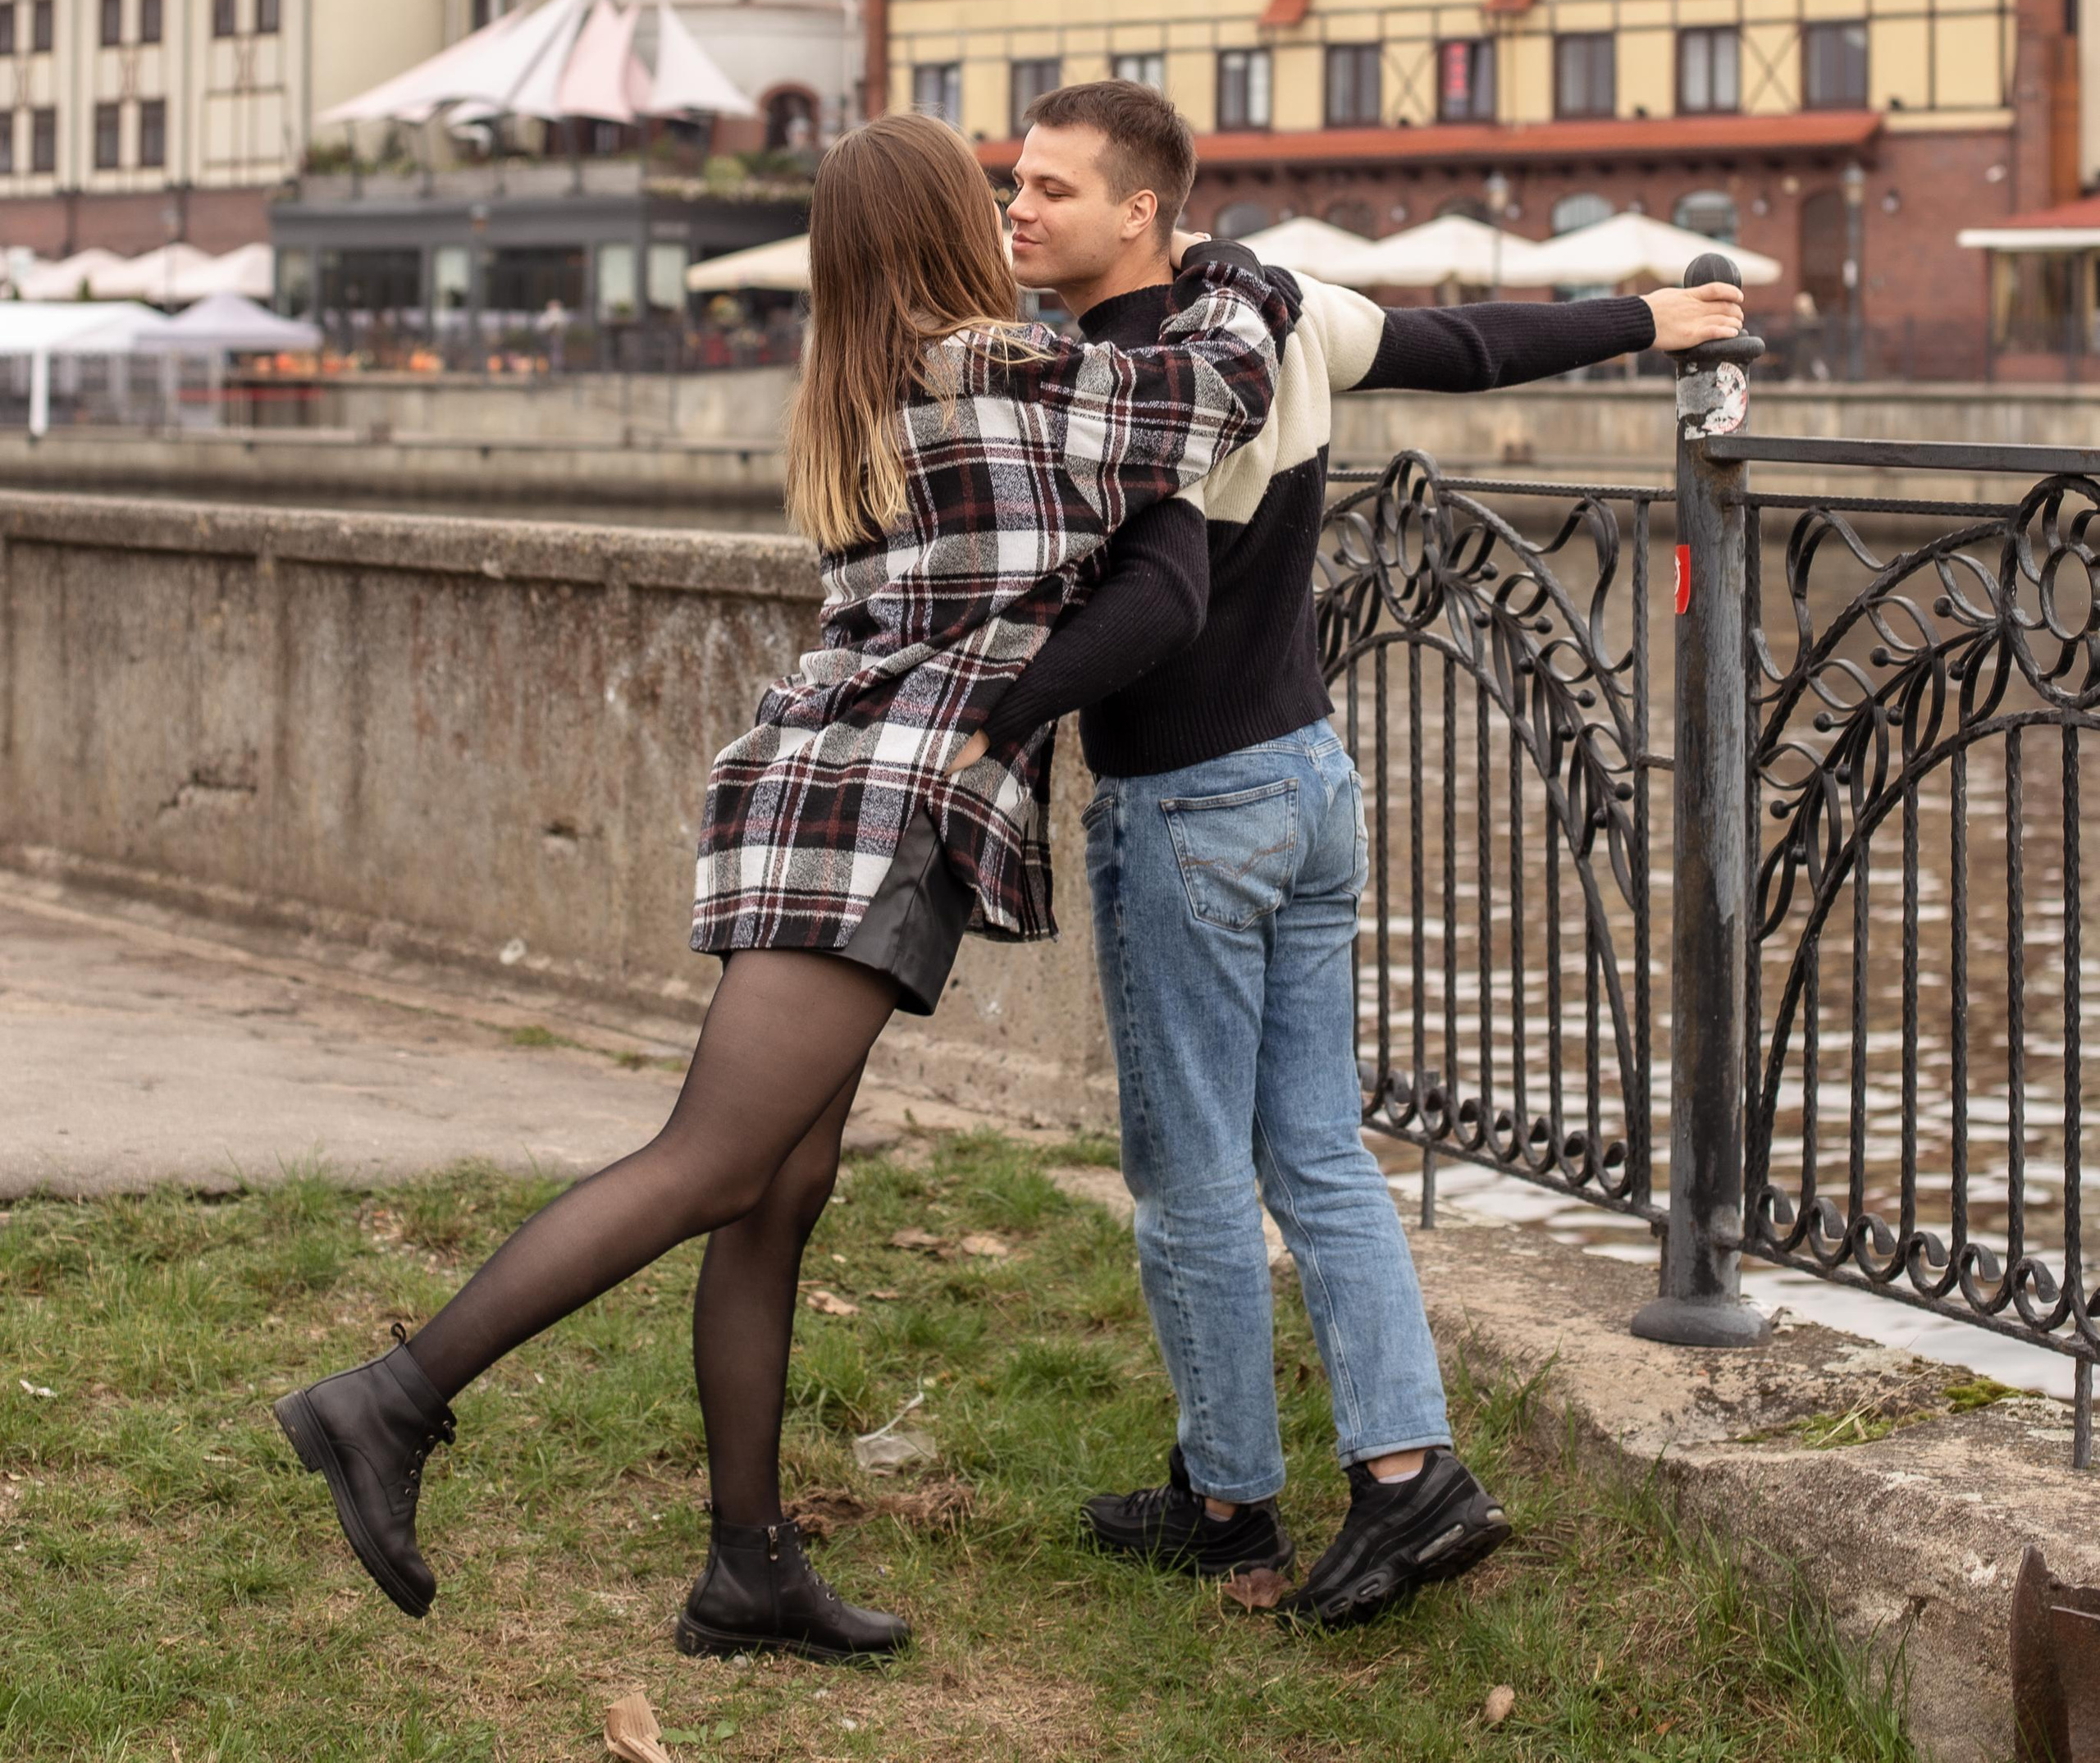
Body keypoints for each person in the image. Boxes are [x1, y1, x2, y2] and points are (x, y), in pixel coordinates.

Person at [272, 111, 1299, 1659]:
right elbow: (1214, 393)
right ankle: (393, 1401)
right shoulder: (998, 374)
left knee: (776, 1187)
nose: (1013, 212)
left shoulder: (862, 384)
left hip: (812, 796)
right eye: (989, 197)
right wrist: (1226, 266)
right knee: (709, 1162)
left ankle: (748, 1570)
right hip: (878, 818)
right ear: (950, 235)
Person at [953, 80, 1746, 1628]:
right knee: (1315, 1147)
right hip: (1312, 779)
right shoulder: (1276, 304)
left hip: (1190, 802)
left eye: (1051, 190)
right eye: (1011, 188)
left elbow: (1163, 601)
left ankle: (1233, 1505)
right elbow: (1461, 347)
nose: (1018, 213)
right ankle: (1403, 1477)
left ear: (1142, 211)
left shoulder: (1138, 377)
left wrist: (996, 717)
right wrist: (1645, 313)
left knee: (1187, 1171)